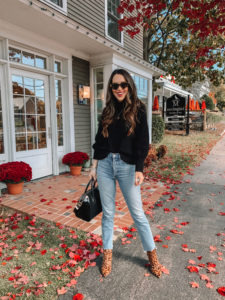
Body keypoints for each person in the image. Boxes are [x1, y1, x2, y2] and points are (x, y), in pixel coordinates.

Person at [89, 69, 162, 278]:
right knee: (108, 214)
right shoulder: (108, 111)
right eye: (114, 86)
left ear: (129, 85)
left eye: (122, 85)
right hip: (104, 164)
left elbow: (142, 142)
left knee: (137, 213)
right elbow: (99, 141)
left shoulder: (138, 109)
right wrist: (93, 168)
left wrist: (140, 168)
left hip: (127, 165)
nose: (119, 89)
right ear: (111, 89)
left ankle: (153, 256)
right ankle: (108, 255)